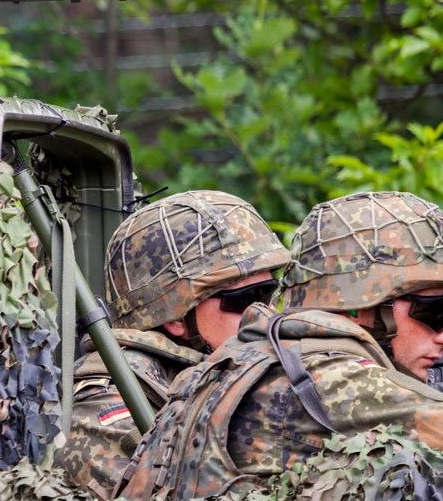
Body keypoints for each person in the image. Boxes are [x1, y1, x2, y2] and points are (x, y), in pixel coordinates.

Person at [114, 191, 443, 499]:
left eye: (265, 294)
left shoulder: (228, 366)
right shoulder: (332, 375)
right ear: (365, 305)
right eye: (434, 312)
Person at [54, 190, 289, 498]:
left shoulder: (225, 373)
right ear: (175, 316)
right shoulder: (108, 404)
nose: (264, 313)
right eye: (245, 299)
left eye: (268, 293)